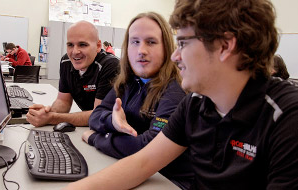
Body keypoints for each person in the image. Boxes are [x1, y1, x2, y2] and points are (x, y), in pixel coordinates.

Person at [64, 0, 298, 189]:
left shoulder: (287, 118)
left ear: (225, 46)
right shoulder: (195, 104)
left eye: (184, 44)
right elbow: (142, 163)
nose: (175, 57)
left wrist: (96, 137)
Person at [83, 12, 193, 189]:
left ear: (166, 47)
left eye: (151, 42)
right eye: (135, 42)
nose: (141, 50)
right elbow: (96, 115)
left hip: (168, 182)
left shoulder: (174, 91)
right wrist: (112, 121)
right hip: (136, 172)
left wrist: (96, 138)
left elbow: (147, 147)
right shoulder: (127, 82)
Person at [26, 21, 120, 127]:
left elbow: (98, 115)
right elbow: (63, 101)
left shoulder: (110, 65)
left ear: (98, 46)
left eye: (82, 44)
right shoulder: (66, 62)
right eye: (70, 45)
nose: (75, 52)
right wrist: (48, 112)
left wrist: (52, 118)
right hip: (90, 127)